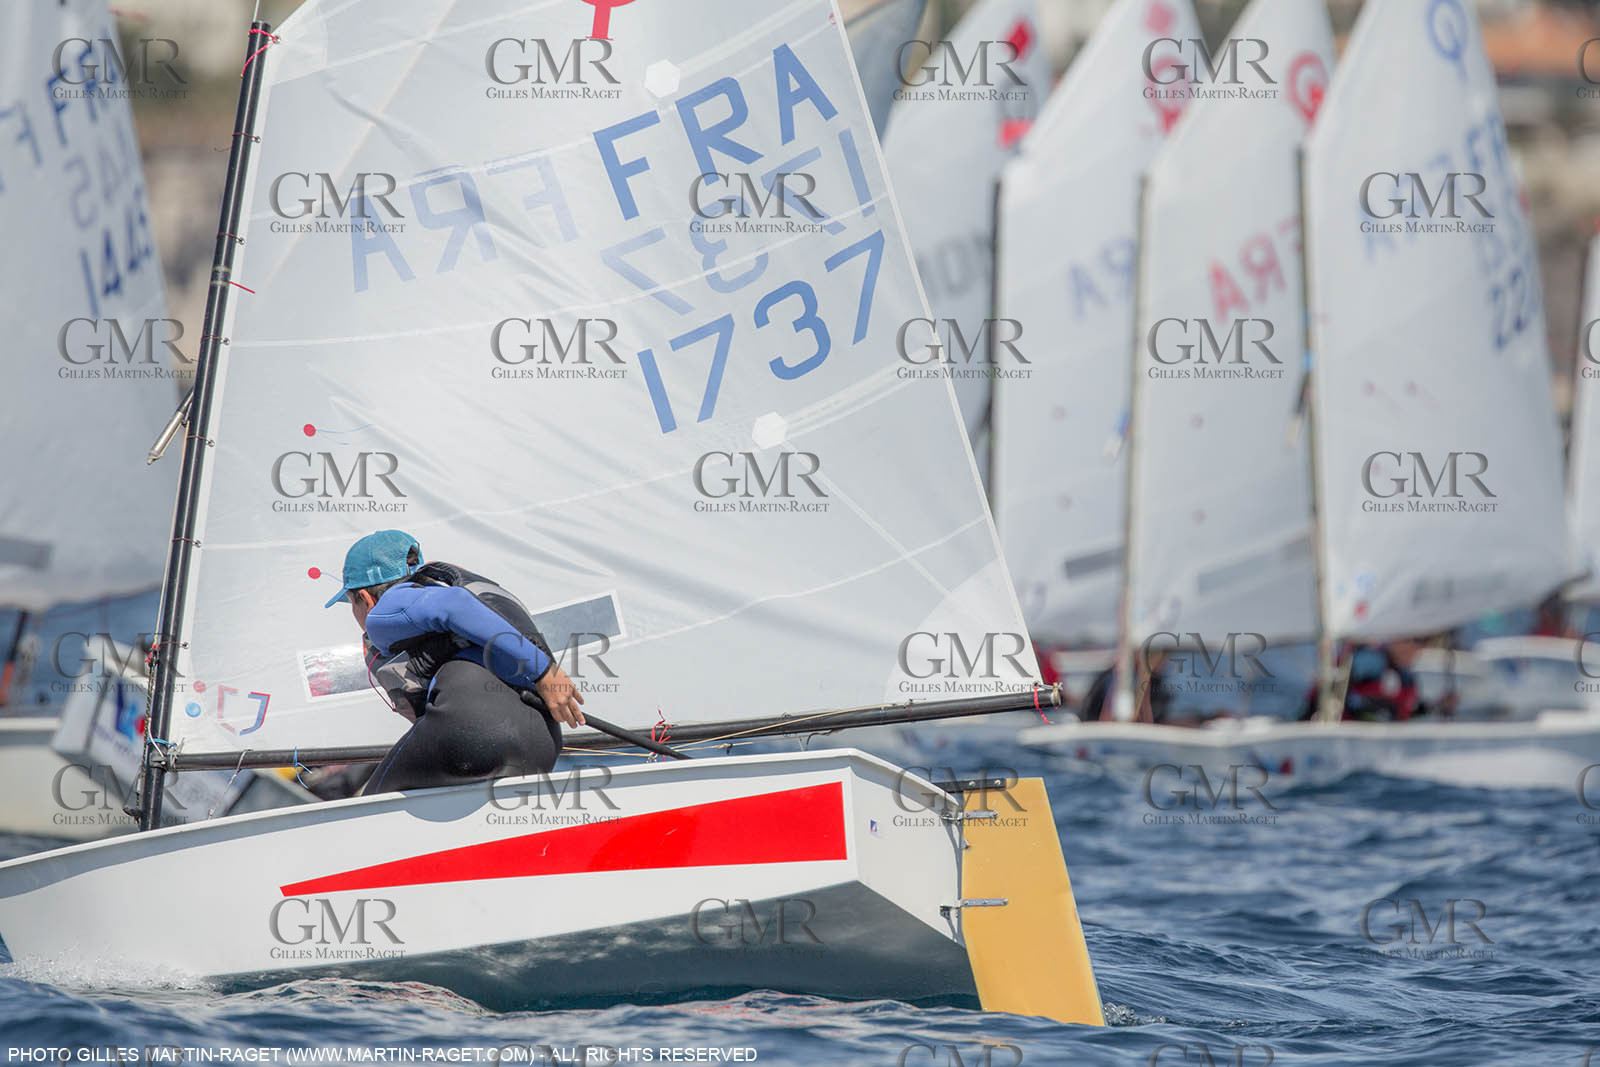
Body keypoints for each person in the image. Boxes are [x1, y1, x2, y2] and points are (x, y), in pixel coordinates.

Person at [323, 529, 586, 794]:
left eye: (351, 603)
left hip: (475, 732)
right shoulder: (439, 592)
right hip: (542, 743)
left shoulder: (385, 611)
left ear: (365, 599)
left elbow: (455, 605)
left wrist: (544, 672)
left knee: (372, 804)